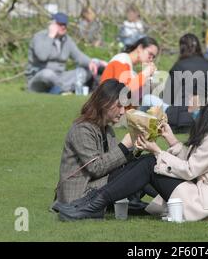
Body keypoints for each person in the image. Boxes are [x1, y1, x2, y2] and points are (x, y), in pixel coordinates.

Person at [55, 80, 208, 222]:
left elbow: (191, 169)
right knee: (148, 163)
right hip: (205, 194)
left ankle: (95, 205)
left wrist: (156, 151)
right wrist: (169, 139)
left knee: (150, 163)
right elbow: (195, 161)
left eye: (192, 96)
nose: (188, 102)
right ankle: (99, 204)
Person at [51, 79, 156, 214]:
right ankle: (170, 200)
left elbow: (115, 164)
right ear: (104, 103)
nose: (123, 111)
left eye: (125, 106)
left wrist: (137, 148)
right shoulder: (82, 129)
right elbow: (96, 168)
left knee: (147, 161)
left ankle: (169, 199)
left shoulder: (106, 129)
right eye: (119, 106)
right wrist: (124, 146)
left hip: (96, 187)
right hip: (77, 197)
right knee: (144, 166)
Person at [141, 33, 208, 133]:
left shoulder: (179, 66)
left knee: (147, 99)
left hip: (182, 118)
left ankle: (136, 122)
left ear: (182, 48)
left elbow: (168, 98)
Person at [25, 12, 107, 94]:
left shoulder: (67, 40)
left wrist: (92, 62)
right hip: (39, 77)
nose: (63, 27)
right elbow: (42, 56)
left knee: (85, 71)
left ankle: (58, 89)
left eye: (65, 24)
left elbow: (78, 56)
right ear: (52, 24)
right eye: (60, 24)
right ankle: (63, 88)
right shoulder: (39, 37)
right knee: (47, 74)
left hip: (60, 76)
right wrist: (51, 36)